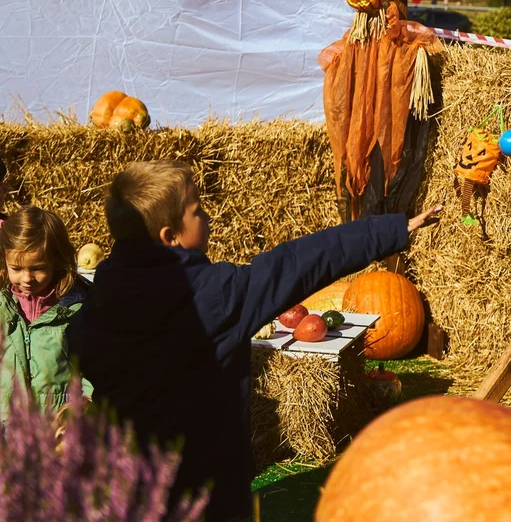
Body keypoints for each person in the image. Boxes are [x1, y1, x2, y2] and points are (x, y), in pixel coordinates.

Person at [66, 160, 441, 521]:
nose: (208, 218)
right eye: (197, 212)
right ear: (171, 237)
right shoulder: (215, 296)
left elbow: (78, 341)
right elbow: (300, 263)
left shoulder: (105, 294)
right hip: (205, 487)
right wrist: (390, 231)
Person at [0, 206, 93, 420]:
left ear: (57, 261)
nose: (26, 278)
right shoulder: (3, 308)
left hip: (56, 428)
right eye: (16, 268)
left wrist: (81, 411)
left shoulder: (76, 312)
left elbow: (94, 369)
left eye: (38, 268)